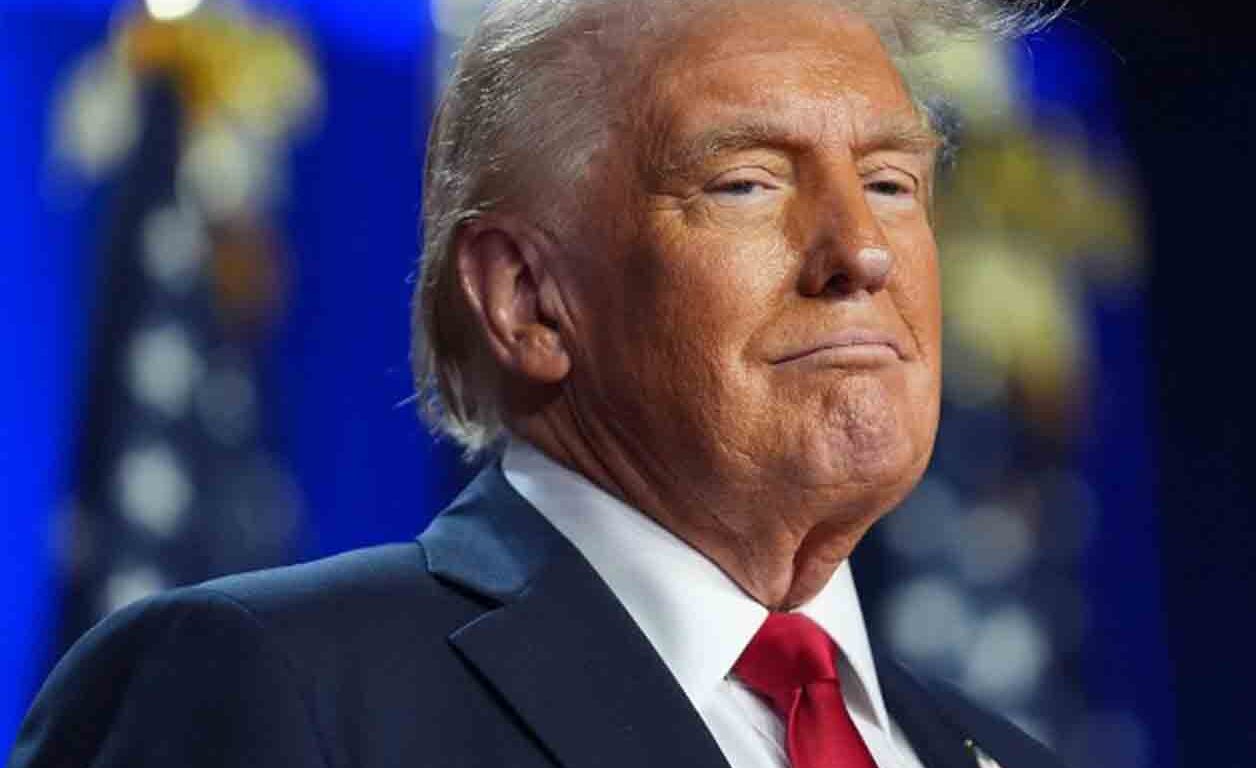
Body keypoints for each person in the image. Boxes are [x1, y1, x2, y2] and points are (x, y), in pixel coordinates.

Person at [9, 1, 1064, 766]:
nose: (862, 251)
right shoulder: (275, 689)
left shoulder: (1011, 756)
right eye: (745, 182)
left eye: (890, 182)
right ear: (526, 298)